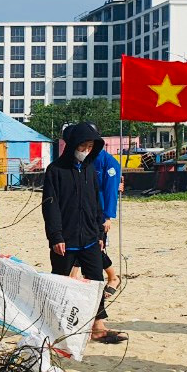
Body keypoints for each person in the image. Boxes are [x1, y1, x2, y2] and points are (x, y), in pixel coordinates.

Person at [42, 122, 127, 344]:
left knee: (96, 281)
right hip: (66, 239)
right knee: (61, 283)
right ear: (72, 146)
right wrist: (56, 236)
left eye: (90, 146)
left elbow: (95, 203)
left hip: (90, 237)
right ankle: (57, 329)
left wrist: (100, 233)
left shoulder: (90, 169)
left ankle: (98, 327)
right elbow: (50, 207)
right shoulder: (55, 170)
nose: (86, 150)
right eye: (83, 146)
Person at [94, 147, 123, 296]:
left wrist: (108, 216)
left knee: (97, 247)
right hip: (84, 209)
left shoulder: (109, 162)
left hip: (101, 210)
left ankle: (113, 277)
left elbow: (111, 190)